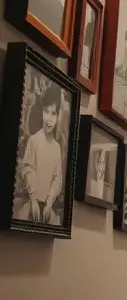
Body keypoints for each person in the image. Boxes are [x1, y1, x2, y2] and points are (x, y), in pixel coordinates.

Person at [16, 84, 63, 224]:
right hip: (32, 203)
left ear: (58, 115)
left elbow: (57, 178)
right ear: (42, 112)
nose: (49, 118)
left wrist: (49, 202)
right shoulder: (34, 140)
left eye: (53, 113)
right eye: (46, 112)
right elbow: (28, 170)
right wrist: (33, 199)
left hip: (47, 206)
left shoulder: (56, 148)